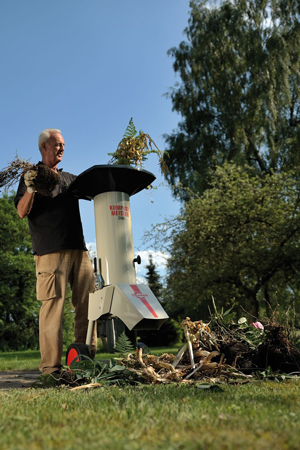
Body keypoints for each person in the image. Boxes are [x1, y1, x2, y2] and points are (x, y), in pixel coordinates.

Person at [14, 128, 97, 376]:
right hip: (50, 251)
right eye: (57, 144)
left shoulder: (71, 179)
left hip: (79, 250)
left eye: (63, 144)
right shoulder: (31, 176)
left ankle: (84, 361)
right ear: (44, 148)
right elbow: (21, 211)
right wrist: (30, 188)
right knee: (53, 308)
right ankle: (51, 368)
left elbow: (94, 192)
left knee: (88, 305)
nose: (62, 148)